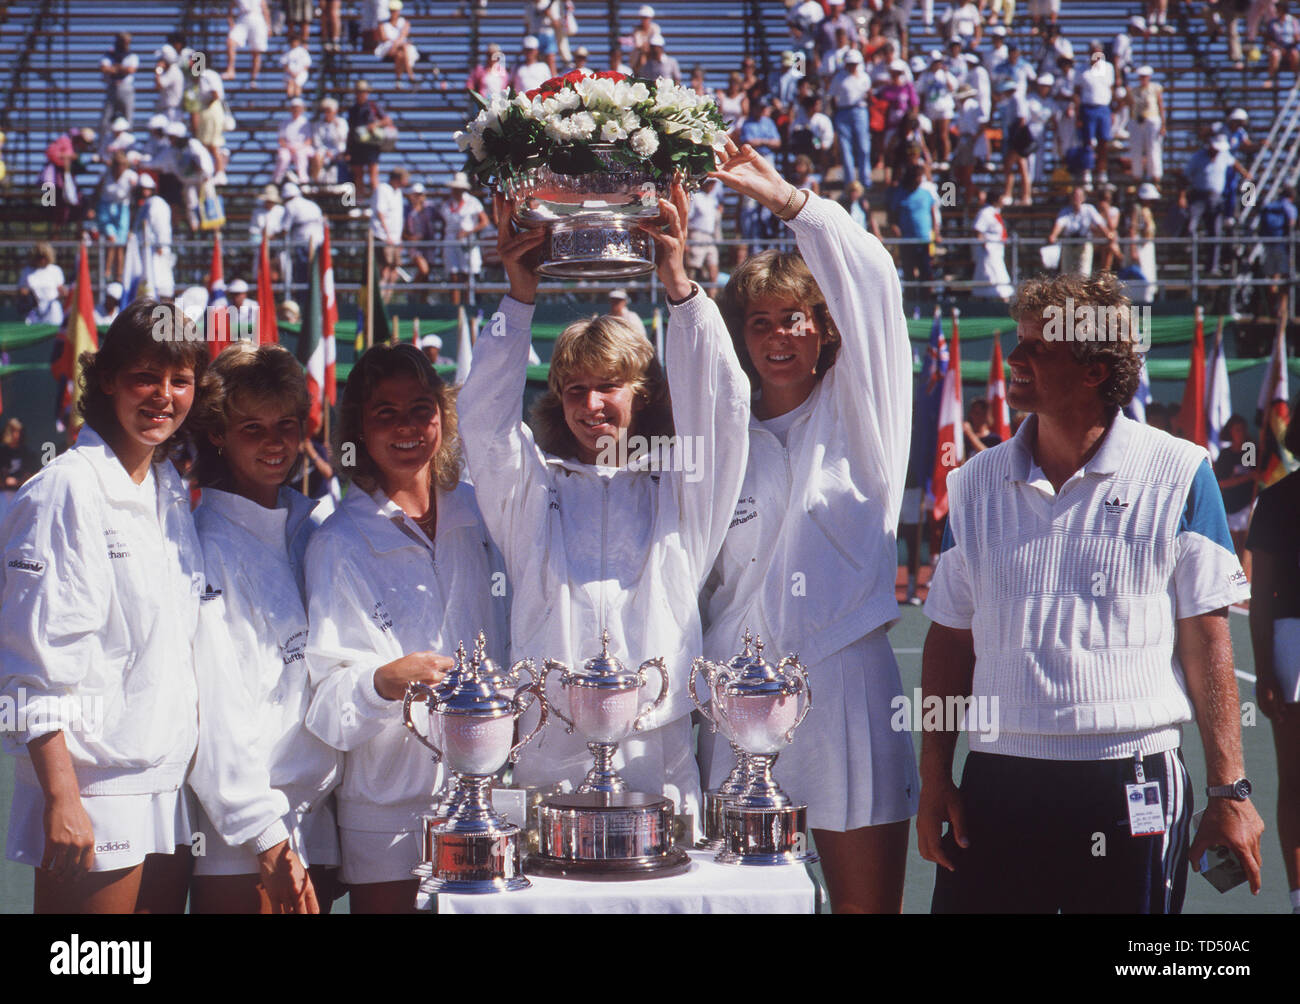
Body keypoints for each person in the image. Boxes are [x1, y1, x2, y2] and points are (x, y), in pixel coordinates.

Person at [919, 271, 1264, 913]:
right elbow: (949, 638)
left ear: (1094, 371)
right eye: (1018, 341)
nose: (1015, 359)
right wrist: (935, 775)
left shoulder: (1182, 471)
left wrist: (1230, 790)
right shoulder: (971, 485)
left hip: (1131, 777)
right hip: (998, 779)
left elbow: (1207, 638)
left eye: (1037, 348)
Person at [457, 180, 748, 832]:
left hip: (657, 742)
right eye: (575, 390)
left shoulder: (681, 489)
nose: (592, 406)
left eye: (610, 387)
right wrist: (518, 297)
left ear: (642, 395)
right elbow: (482, 421)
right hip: (549, 744)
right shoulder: (535, 494)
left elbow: (725, 410)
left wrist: (680, 284)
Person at [697, 137, 918, 913]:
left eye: (795, 318)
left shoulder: (865, 410)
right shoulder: (720, 435)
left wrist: (790, 202)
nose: (778, 336)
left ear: (824, 328)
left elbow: (874, 280)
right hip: (730, 694)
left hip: (844, 680)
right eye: (759, 322)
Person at [1, 301, 210, 913]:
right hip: (95, 789)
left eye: (180, 380)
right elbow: (29, 667)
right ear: (109, 381)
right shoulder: (65, 487)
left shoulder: (169, 486)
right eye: (146, 376)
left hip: (168, 785)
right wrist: (64, 799)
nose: (164, 396)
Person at [305, 342, 502, 913]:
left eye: (421, 408)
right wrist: (381, 682)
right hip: (385, 810)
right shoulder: (337, 541)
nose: (407, 427)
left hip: (485, 796)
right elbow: (325, 706)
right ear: (359, 432)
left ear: (443, 415)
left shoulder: (481, 513)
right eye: (384, 414)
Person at [186, 342, 340, 914]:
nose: (274, 442)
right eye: (252, 426)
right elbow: (219, 713)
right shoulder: (209, 545)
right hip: (245, 839)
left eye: (286, 424)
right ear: (218, 434)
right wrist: (266, 839)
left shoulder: (309, 526)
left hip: (315, 824)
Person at [1246, 410, 1300, 914]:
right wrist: (1264, 671)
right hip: (1295, 644)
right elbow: (1260, 596)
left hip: (1287, 644)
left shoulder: (1276, 499)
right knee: (1297, 779)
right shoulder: (1278, 500)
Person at [1186, 134, 1252, 275]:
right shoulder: (1198, 157)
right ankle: (1190, 257)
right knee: (1191, 226)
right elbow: (1187, 175)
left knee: (1215, 232)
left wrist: (1245, 173)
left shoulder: (1224, 155)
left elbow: (1234, 163)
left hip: (1216, 197)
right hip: (1198, 195)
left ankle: (1212, 266)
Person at [891, 164, 940, 310]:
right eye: (917, 177)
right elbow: (893, 216)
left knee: (926, 271)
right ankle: (911, 304)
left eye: (921, 177)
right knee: (908, 272)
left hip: (924, 240)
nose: (919, 180)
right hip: (907, 241)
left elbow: (932, 212)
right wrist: (896, 229)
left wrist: (936, 231)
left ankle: (926, 303)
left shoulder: (926, 193)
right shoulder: (900, 194)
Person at [436, 173, 488, 305]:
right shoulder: (446, 204)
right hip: (450, 240)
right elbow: (443, 225)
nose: (455, 191)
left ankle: (469, 305)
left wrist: (468, 232)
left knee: (467, 274)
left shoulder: (473, 202)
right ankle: (456, 308)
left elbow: (484, 222)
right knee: (453, 275)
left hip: (467, 241)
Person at [1046, 185, 1112, 277]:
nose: (1076, 199)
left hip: (1084, 244)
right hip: (1069, 244)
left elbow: (1099, 223)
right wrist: (1053, 235)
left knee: (1084, 274)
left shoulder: (1089, 209)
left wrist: (1107, 234)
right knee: (1066, 275)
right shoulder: (1065, 211)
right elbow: (1059, 225)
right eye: (1074, 196)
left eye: (1078, 196)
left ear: (1083, 198)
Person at [829, 49, 872, 191]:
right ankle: (850, 182)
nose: (852, 66)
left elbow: (869, 97)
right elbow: (832, 97)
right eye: (850, 63)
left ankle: (865, 180)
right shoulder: (839, 77)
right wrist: (836, 114)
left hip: (860, 111)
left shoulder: (864, 77)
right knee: (845, 147)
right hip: (843, 112)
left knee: (863, 146)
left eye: (854, 63)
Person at [1074, 41, 1115, 188]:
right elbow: (1077, 93)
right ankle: (1087, 173)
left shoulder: (1109, 68)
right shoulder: (1081, 70)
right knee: (1088, 143)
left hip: (1103, 108)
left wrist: (1113, 110)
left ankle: (1101, 173)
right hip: (1087, 108)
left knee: (1103, 142)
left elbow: (1111, 89)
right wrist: (1078, 115)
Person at [345, 80, 393, 206]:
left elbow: (387, 120)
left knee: (373, 177)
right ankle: (360, 204)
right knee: (358, 177)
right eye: (359, 92)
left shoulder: (373, 106)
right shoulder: (352, 110)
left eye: (363, 91)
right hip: (356, 145)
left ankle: (377, 205)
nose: (361, 94)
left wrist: (375, 124)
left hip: (371, 145)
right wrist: (347, 150)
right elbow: (350, 131)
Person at [137, 174, 176, 301]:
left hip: (156, 251)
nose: (144, 191)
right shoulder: (144, 205)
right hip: (145, 250)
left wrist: (161, 244)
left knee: (159, 282)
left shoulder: (157, 203)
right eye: (142, 188)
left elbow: (161, 225)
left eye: (147, 188)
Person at [971, 188, 1013, 299]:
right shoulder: (985, 213)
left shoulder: (995, 213)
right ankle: (1001, 301)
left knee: (999, 277)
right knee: (992, 277)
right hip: (988, 252)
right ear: (996, 200)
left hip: (997, 251)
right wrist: (984, 245)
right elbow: (978, 230)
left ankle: (1003, 301)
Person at [373, 167, 409, 288]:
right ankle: (380, 303)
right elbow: (380, 212)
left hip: (395, 239)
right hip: (383, 236)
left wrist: (398, 239)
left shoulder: (398, 192)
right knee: (385, 270)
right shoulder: (382, 189)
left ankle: (386, 302)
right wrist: (387, 235)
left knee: (394, 272)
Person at [1129, 66, 1165, 185]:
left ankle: (1155, 178)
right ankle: (1136, 178)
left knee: (1153, 149)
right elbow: (1128, 104)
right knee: (1136, 150)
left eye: (1145, 76)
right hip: (1137, 121)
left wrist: (1163, 124)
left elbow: (1160, 106)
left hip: (1152, 120)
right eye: (1141, 76)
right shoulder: (1134, 91)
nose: (1142, 78)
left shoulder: (1155, 88)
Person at [100, 33, 138, 140]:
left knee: (128, 117)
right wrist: (121, 69)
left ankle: (128, 144)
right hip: (112, 87)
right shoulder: (108, 55)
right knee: (106, 119)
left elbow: (130, 70)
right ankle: (105, 143)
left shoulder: (132, 55)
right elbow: (104, 69)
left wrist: (116, 68)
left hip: (126, 88)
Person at [224, 0, 271, 86]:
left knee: (256, 52)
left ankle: (253, 79)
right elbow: (230, 9)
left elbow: (265, 9)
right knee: (230, 41)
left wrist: (268, 26)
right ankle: (231, 70)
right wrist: (231, 22)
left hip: (258, 19)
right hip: (242, 18)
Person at [18, 243, 67, 327]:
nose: (42, 260)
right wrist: (28, 294)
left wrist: (64, 292)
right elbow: (22, 290)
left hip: (52, 311)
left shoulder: (55, 270)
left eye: (45, 257)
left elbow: (61, 289)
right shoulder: (27, 271)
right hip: (34, 311)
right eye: (40, 257)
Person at [376, 0, 420, 89]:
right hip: (388, 49)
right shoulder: (383, 24)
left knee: (401, 54)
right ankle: (411, 76)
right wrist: (396, 44)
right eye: (392, 10)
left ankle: (398, 81)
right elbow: (384, 38)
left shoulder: (405, 23)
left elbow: (402, 36)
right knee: (404, 47)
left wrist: (395, 45)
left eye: (395, 10)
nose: (394, 12)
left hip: (397, 49)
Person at [274, 97, 314, 184]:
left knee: (300, 155)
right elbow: (281, 140)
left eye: (298, 108)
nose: (296, 110)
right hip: (287, 147)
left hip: (302, 147)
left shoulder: (306, 123)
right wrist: (289, 147)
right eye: (294, 108)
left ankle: (303, 181)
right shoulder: (284, 123)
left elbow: (309, 140)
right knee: (283, 157)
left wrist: (298, 148)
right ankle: (277, 181)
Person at [309, 98, 349, 184]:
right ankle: (315, 182)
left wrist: (337, 127)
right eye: (325, 111)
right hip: (324, 152)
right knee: (317, 156)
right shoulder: (318, 125)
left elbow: (343, 139)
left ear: (335, 111)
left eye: (329, 111)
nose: (326, 113)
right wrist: (326, 151)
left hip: (338, 151)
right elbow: (317, 141)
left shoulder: (341, 122)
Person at [1266, 0, 1300, 86]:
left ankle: (1297, 77)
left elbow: (1297, 37)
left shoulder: (1293, 21)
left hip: (1291, 48)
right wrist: (1280, 48)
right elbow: (1269, 39)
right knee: (1275, 54)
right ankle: (1270, 78)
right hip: (1278, 48)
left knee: (1294, 54)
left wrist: (1291, 45)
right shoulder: (1272, 23)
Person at [280, 33, 312, 100]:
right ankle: (290, 99)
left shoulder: (303, 51)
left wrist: (298, 73)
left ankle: (297, 98)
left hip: (301, 73)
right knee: (290, 83)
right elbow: (284, 64)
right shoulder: (286, 51)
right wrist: (291, 73)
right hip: (289, 73)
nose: (294, 43)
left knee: (297, 84)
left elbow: (307, 64)